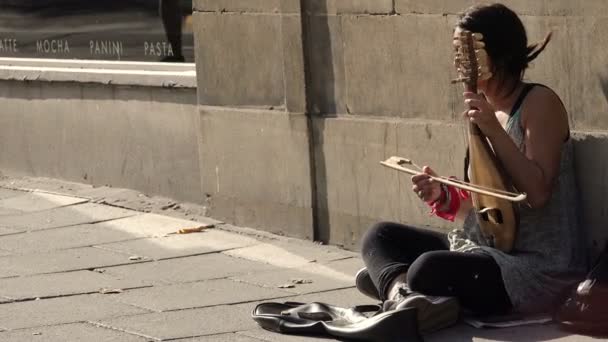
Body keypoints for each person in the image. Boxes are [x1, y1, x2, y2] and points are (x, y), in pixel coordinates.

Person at [356, 3, 588, 333]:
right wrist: (443, 194)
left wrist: (494, 130)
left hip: (535, 269)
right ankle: (403, 294)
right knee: (379, 236)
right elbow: (489, 212)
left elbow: (537, 193)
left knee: (427, 268)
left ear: (498, 53)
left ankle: (401, 283)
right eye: (457, 53)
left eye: (467, 53)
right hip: (485, 249)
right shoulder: (486, 107)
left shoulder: (538, 102)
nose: (459, 64)